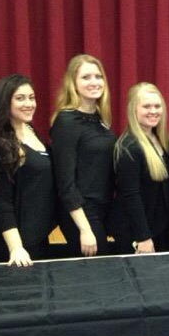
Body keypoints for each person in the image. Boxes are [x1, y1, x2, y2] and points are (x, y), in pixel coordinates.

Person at [0, 74, 55, 265]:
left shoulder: (30, 130)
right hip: (14, 245)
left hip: (37, 236)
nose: (29, 103)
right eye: (20, 98)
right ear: (5, 102)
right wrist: (16, 248)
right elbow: (1, 201)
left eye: (31, 97)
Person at [50, 54, 116, 257]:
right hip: (81, 213)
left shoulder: (99, 118)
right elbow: (65, 181)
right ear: (73, 83)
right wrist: (85, 229)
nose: (94, 82)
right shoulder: (66, 121)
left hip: (102, 208)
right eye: (86, 77)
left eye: (98, 76)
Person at [113, 83, 169, 254]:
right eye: (146, 106)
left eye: (157, 106)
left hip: (158, 227)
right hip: (137, 234)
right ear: (133, 110)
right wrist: (143, 238)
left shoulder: (158, 138)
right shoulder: (128, 147)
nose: (153, 111)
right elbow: (131, 196)